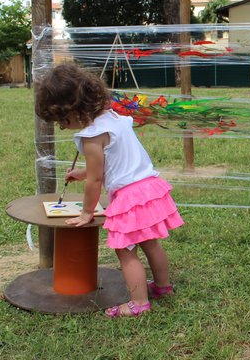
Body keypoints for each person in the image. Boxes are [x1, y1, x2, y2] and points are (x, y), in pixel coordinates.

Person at [35, 63, 183, 318]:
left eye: (62, 120)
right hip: (149, 188)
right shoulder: (114, 117)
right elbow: (110, 163)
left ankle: (138, 304)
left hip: (129, 197)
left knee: (125, 252)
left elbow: (95, 180)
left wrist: (86, 212)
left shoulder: (92, 136)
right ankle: (163, 287)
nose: (63, 126)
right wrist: (81, 173)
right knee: (151, 244)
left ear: (72, 110)